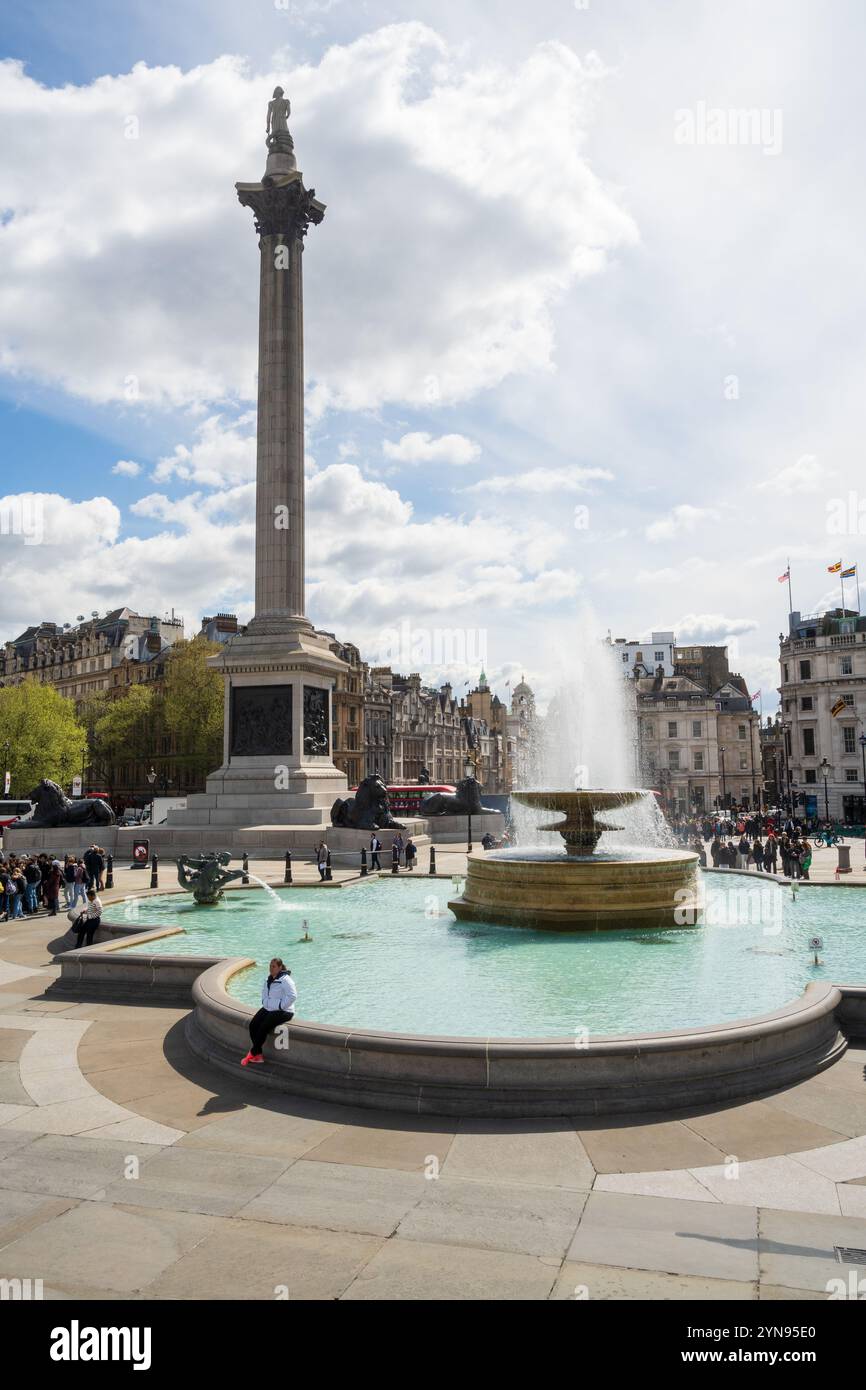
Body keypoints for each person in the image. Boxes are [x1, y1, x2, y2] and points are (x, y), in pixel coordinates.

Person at [242, 957, 297, 1066]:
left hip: (284, 1011)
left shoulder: (286, 979)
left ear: (280, 967)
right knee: (253, 1025)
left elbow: (292, 996)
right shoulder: (268, 979)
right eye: (270, 966)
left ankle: (252, 1052)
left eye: (274, 966)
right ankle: (258, 1055)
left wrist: (280, 1006)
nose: (271, 969)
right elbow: (264, 993)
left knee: (264, 1026)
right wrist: (265, 1003)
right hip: (269, 1008)